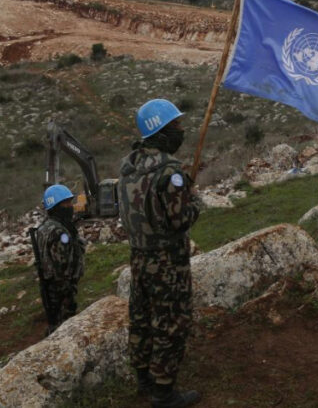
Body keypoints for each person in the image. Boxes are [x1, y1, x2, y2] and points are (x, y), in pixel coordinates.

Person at [119, 99, 201, 408]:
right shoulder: (170, 170)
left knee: (141, 318)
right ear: (161, 131)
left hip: (138, 257)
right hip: (168, 262)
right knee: (171, 322)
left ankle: (144, 379)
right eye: (176, 125)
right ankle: (164, 393)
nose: (181, 130)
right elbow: (180, 220)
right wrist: (194, 201)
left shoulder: (128, 166)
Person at [31, 184, 85, 335]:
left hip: (50, 286)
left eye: (70, 202)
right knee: (65, 328)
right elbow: (61, 266)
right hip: (60, 289)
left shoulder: (45, 227)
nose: (70, 206)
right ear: (55, 207)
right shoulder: (60, 232)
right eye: (65, 203)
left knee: (55, 322)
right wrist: (68, 290)